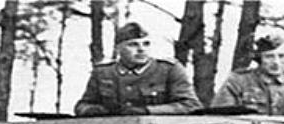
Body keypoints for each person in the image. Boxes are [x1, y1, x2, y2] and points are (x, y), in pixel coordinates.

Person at [74, 22, 203, 116]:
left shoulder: (168, 70)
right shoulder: (103, 73)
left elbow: (191, 106)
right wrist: (93, 110)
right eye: (133, 45)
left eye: (146, 44)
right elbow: (82, 106)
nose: (141, 49)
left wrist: (148, 111)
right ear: (118, 49)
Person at [212, 32, 284, 116]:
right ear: (259, 58)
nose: (276, 62)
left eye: (282, 56)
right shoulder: (238, 81)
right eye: (269, 56)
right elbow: (220, 117)